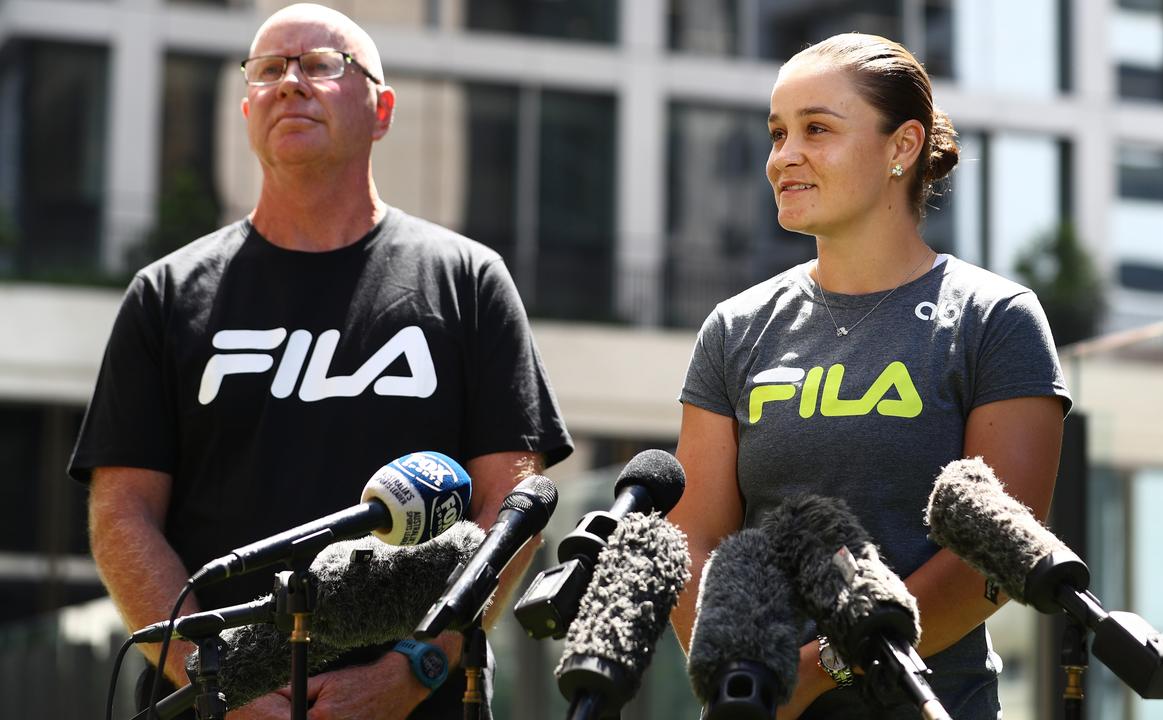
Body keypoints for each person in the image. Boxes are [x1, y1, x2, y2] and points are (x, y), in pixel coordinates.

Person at [68, 4, 572, 719]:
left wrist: (415, 668)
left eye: (322, 65)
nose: (290, 83)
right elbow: (122, 513)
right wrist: (219, 683)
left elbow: (512, 508)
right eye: (268, 69)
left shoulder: (468, 281)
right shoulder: (166, 295)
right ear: (247, 108)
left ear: (383, 109)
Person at [668, 32, 1071, 720]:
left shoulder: (996, 319)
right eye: (777, 133)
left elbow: (999, 554)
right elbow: (693, 545)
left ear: (902, 147)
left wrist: (822, 667)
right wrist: (744, 675)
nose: (782, 157)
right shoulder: (736, 328)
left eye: (816, 130)